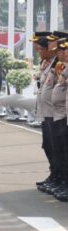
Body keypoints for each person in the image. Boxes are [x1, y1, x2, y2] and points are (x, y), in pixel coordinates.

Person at [34, 31, 59, 192]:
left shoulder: (59, 64)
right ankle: (55, 175)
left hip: (56, 113)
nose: (40, 50)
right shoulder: (50, 63)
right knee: (48, 145)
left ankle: (60, 178)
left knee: (58, 148)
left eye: (50, 43)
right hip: (46, 112)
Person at [50, 39, 68, 201]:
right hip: (60, 114)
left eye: (63, 50)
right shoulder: (62, 66)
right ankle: (61, 180)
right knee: (60, 150)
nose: (61, 53)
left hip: (63, 114)